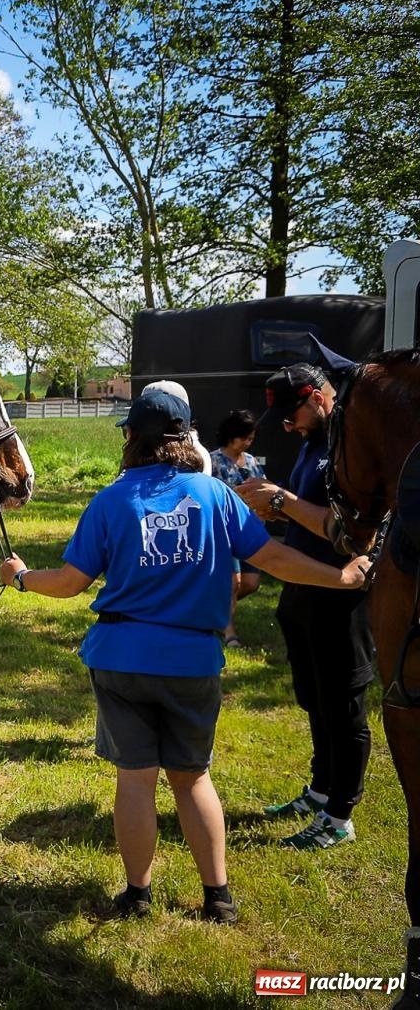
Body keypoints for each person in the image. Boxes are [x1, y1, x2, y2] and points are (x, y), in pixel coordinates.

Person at [0, 390, 370, 923]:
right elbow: (272, 557)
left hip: (121, 658)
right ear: (184, 436)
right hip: (194, 661)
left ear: (133, 437)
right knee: (193, 778)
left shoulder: (110, 500)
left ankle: (137, 894)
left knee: (135, 778)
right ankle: (218, 897)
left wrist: (21, 578)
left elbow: (71, 582)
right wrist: (340, 576)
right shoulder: (217, 496)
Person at [237, 355, 375, 851]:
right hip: (304, 590)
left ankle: (340, 816)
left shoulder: (351, 442)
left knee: (344, 705)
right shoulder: (314, 440)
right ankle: (320, 791)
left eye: (292, 415)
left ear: (318, 397)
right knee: (315, 698)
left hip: (341, 594)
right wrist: (269, 511)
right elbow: (306, 516)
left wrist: (282, 501)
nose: (287, 427)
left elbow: (352, 529)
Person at [210, 410, 267, 647]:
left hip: (250, 530)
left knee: (251, 583)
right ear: (231, 436)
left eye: (251, 439)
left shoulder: (252, 462)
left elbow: (263, 487)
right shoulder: (213, 461)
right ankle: (230, 633)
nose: (248, 443)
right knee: (232, 582)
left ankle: (215, 611)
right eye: (244, 438)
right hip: (224, 531)